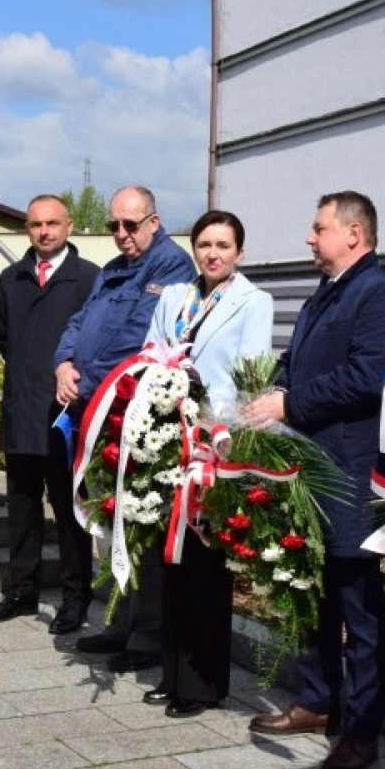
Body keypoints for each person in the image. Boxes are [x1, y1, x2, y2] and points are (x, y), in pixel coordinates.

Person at [244, 191, 385, 769]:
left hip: (352, 474)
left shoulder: (383, 295)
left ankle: (362, 732)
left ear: (353, 233)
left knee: (359, 607)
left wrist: (289, 404)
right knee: (313, 594)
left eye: (318, 228)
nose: (309, 239)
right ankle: (317, 702)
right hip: (311, 471)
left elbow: (369, 378)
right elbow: (296, 362)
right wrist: (268, 395)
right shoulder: (327, 292)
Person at [55, 185, 195, 672]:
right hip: (96, 407)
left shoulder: (170, 266)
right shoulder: (113, 269)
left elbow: (138, 337)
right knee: (110, 517)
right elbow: (79, 321)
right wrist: (63, 364)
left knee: (139, 519)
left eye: (129, 225)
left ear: (154, 222)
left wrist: (87, 380)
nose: (120, 234)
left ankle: (148, 632)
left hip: (132, 413)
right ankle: (119, 620)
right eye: (114, 225)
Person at [140, 210, 273, 717]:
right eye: (204, 244)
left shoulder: (251, 301)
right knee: (169, 561)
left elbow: (250, 370)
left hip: (213, 443)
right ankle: (171, 672)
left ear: (239, 252)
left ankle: (201, 683)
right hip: (168, 437)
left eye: (222, 245)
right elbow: (151, 351)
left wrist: (216, 419)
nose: (212, 253)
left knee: (206, 567)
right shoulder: (176, 295)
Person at [0, 195, 100, 634]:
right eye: (35, 224)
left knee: (70, 512)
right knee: (22, 507)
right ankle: (21, 590)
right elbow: (6, 338)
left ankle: (74, 599)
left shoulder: (89, 278)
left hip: (65, 416)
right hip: (22, 408)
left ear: (69, 226)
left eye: (52, 223)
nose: (44, 231)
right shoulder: (11, 278)